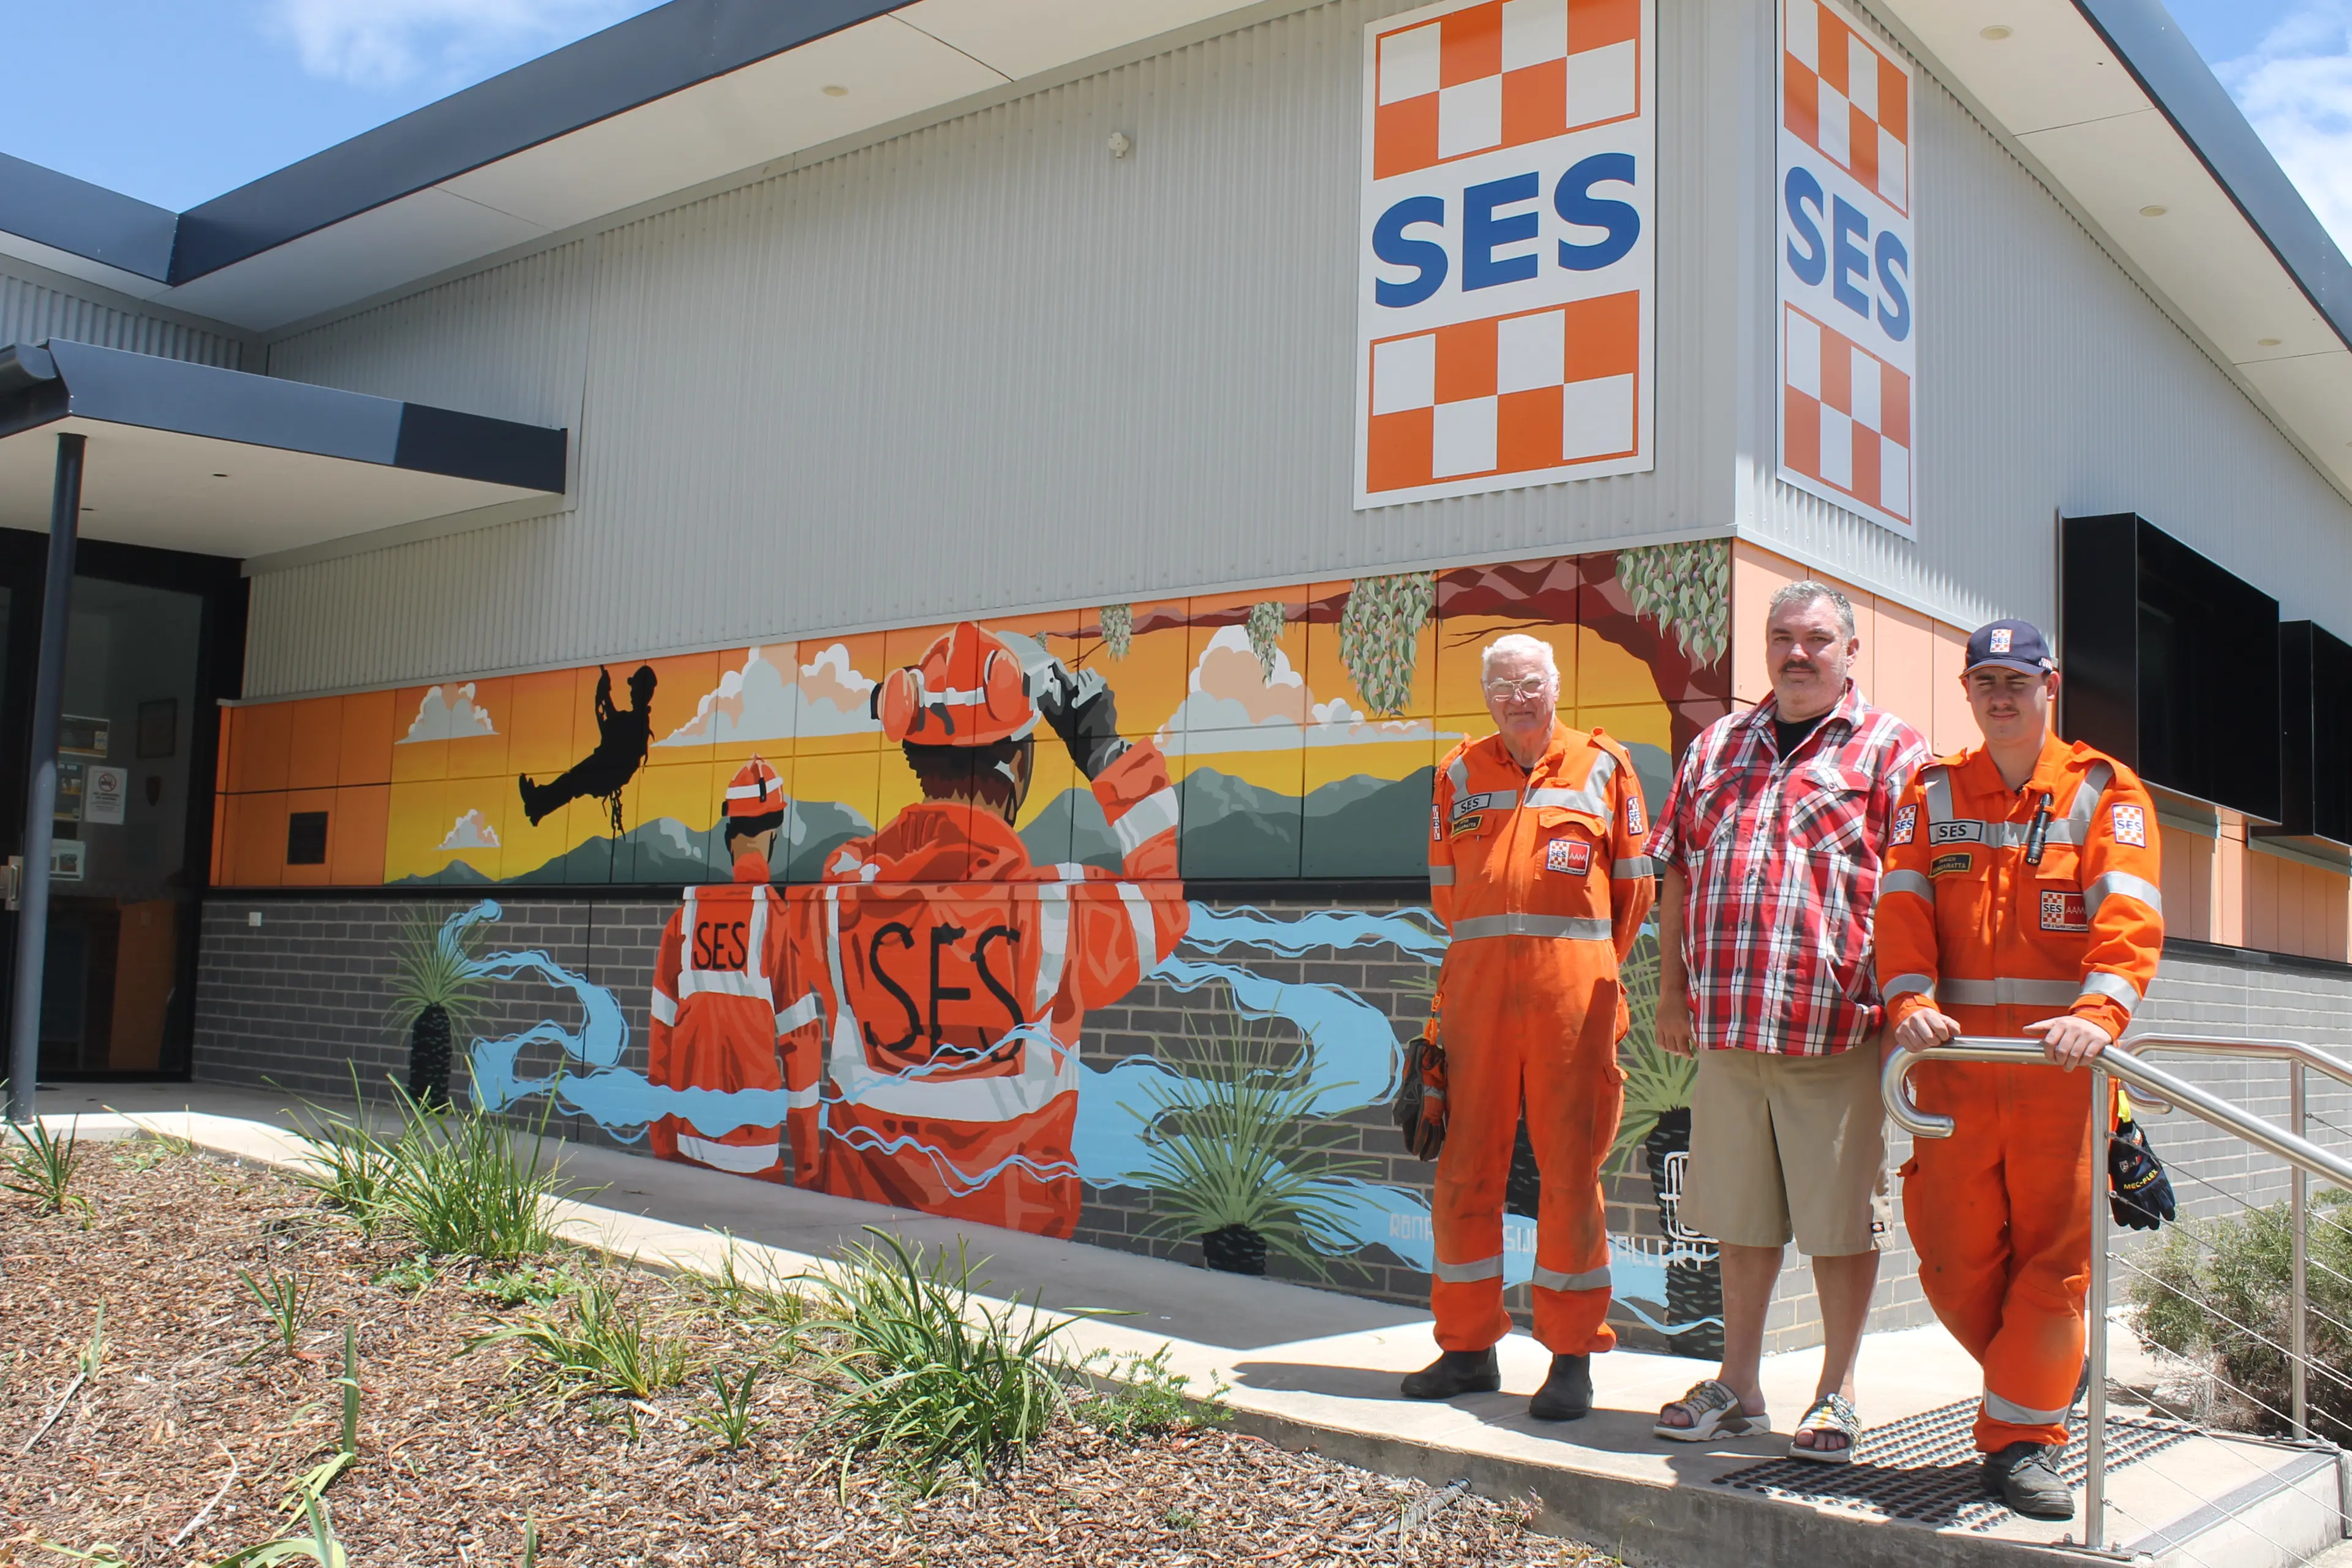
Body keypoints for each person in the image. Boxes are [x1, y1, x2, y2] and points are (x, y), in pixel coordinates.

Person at [1875, 619, 2162, 1520]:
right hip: (1955, 1072)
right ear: (1967, 692)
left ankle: (2024, 1441)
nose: (2002, 695)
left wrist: (2098, 1014)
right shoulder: (1932, 793)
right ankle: (2043, 1375)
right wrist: (1908, 1000)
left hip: (2057, 1073)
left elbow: (2129, 915)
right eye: (1985, 681)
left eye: (2018, 680)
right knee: (1954, 1263)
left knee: (2053, 1269)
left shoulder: (2105, 793)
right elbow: (1900, 908)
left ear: (2051, 686)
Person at [778, 621, 1188, 1237]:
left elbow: (857, 865)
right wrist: (1103, 751)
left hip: (864, 1251)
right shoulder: (1061, 914)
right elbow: (1162, 899)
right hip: (1018, 1269)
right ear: (1019, 768)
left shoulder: (837, 902)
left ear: (915, 761)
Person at [1646, 582, 1930, 1461]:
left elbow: (1918, 889)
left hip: (1837, 1029)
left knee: (1842, 1224)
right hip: (1730, 1027)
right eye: (1781, 637)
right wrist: (1668, 993)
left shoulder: (1895, 751)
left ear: (1850, 651)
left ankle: (1836, 1393)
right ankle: (1739, 1383)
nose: (1796, 653)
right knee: (1741, 1216)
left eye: (1816, 638)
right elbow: (1678, 872)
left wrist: (1906, 1002)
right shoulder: (1716, 747)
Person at [1400, 633, 1654, 1422]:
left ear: (1556, 686)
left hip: (1570, 997)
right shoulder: (1455, 774)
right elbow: (1447, 892)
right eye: (1503, 685)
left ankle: (1572, 1357)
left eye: (1531, 683)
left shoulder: (1604, 767)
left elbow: (1636, 889)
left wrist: (1579, 970)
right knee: (1464, 1172)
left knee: (1571, 1174)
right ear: (1486, 694)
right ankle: (1467, 1348)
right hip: (1476, 992)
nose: (1518, 697)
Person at [646, 755, 815, 1181]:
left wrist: (663, 1142)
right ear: (774, 834)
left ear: (728, 835)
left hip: (686, 1145)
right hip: (755, 1156)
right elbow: (802, 1050)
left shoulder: (684, 921)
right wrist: (809, 1163)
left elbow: (659, 1044)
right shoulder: (777, 923)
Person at [519, 663, 658, 833]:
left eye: (634, 688)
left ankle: (537, 804)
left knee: (572, 781)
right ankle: (538, 804)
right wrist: (605, 694)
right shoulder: (636, 720)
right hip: (607, 770)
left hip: (607, 772)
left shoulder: (637, 722)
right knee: (571, 782)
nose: (631, 692)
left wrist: (605, 694)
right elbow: (613, 722)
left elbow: (613, 724)